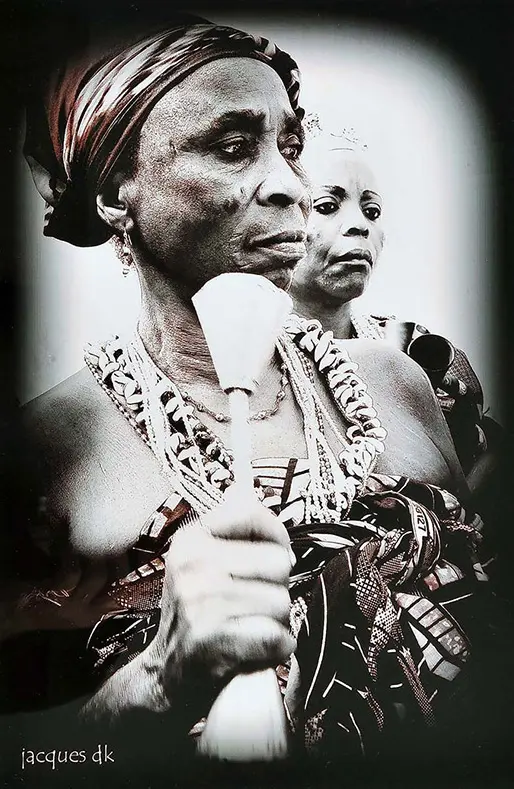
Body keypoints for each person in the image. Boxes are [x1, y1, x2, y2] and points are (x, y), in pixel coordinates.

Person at [1, 14, 500, 779]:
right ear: (114, 194)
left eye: (289, 147)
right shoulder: (47, 460)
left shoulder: (395, 383)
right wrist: (157, 676)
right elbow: (33, 758)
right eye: (234, 148)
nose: (289, 186)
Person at [290, 126, 502, 497]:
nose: (359, 225)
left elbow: (484, 467)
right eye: (326, 207)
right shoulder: (235, 363)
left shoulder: (427, 353)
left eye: (372, 211)